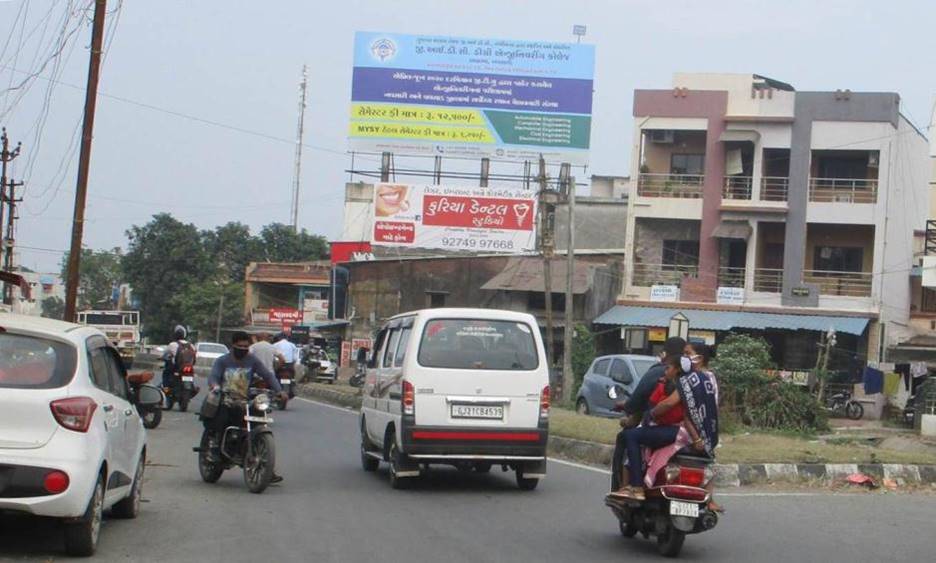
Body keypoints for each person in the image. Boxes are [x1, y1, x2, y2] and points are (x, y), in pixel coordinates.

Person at [612, 354, 705, 500]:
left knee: (631, 436)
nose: (665, 371)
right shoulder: (670, 384)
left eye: (668, 368)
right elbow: (651, 404)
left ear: (677, 370)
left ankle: (636, 486)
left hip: (677, 431)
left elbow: (666, 405)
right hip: (676, 431)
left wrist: (652, 414)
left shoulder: (682, 386)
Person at [206, 331, 287, 483]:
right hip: (226, 399)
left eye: (246, 346)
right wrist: (215, 386)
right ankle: (215, 447)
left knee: (259, 420)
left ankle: (266, 465)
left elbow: (268, 375)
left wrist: (279, 391)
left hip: (245, 400)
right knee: (221, 418)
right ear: (233, 346)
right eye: (240, 346)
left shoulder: (253, 361)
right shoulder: (222, 361)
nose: (243, 349)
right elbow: (214, 377)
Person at [610, 336, 686, 490]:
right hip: (688, 432)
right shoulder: (692, 377)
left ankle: (631, 485)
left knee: (628, 436)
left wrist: (640, 411)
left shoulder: (659, 373)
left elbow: (639, 401)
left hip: (666, 428)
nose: (666, 371)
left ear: (666, 354)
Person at [686, 342, 724, 513]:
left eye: (688, 353)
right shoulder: (684, 375)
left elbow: (712, 406)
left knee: (708, 461)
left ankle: (709, 498)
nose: (684, 357)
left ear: (699, 358)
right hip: (684, 425)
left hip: (700, 426)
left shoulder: (708, 377)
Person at [162, 325, 195, 391]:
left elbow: (165, 355)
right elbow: (194, 358)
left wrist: (163, 358)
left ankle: (166, 388)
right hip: (189, 368)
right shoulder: (191, 345)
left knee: (166, 372)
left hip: (176, 368)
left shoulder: (172, 344)